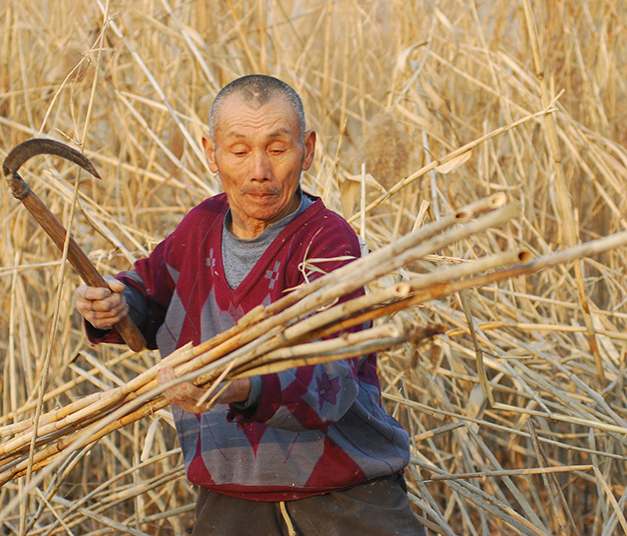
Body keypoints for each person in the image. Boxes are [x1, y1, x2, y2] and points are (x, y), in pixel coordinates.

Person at [75, 74, 426, 535]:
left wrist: (234, 385)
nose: (259, 169)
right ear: (210, 153)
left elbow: (330, 381)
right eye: (239, 151)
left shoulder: (327, 241)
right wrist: (112, 306)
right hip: (230, 500)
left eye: (277, 149)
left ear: (309, 150)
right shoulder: (198, 229)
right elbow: (144, 292)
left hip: (345, 498)